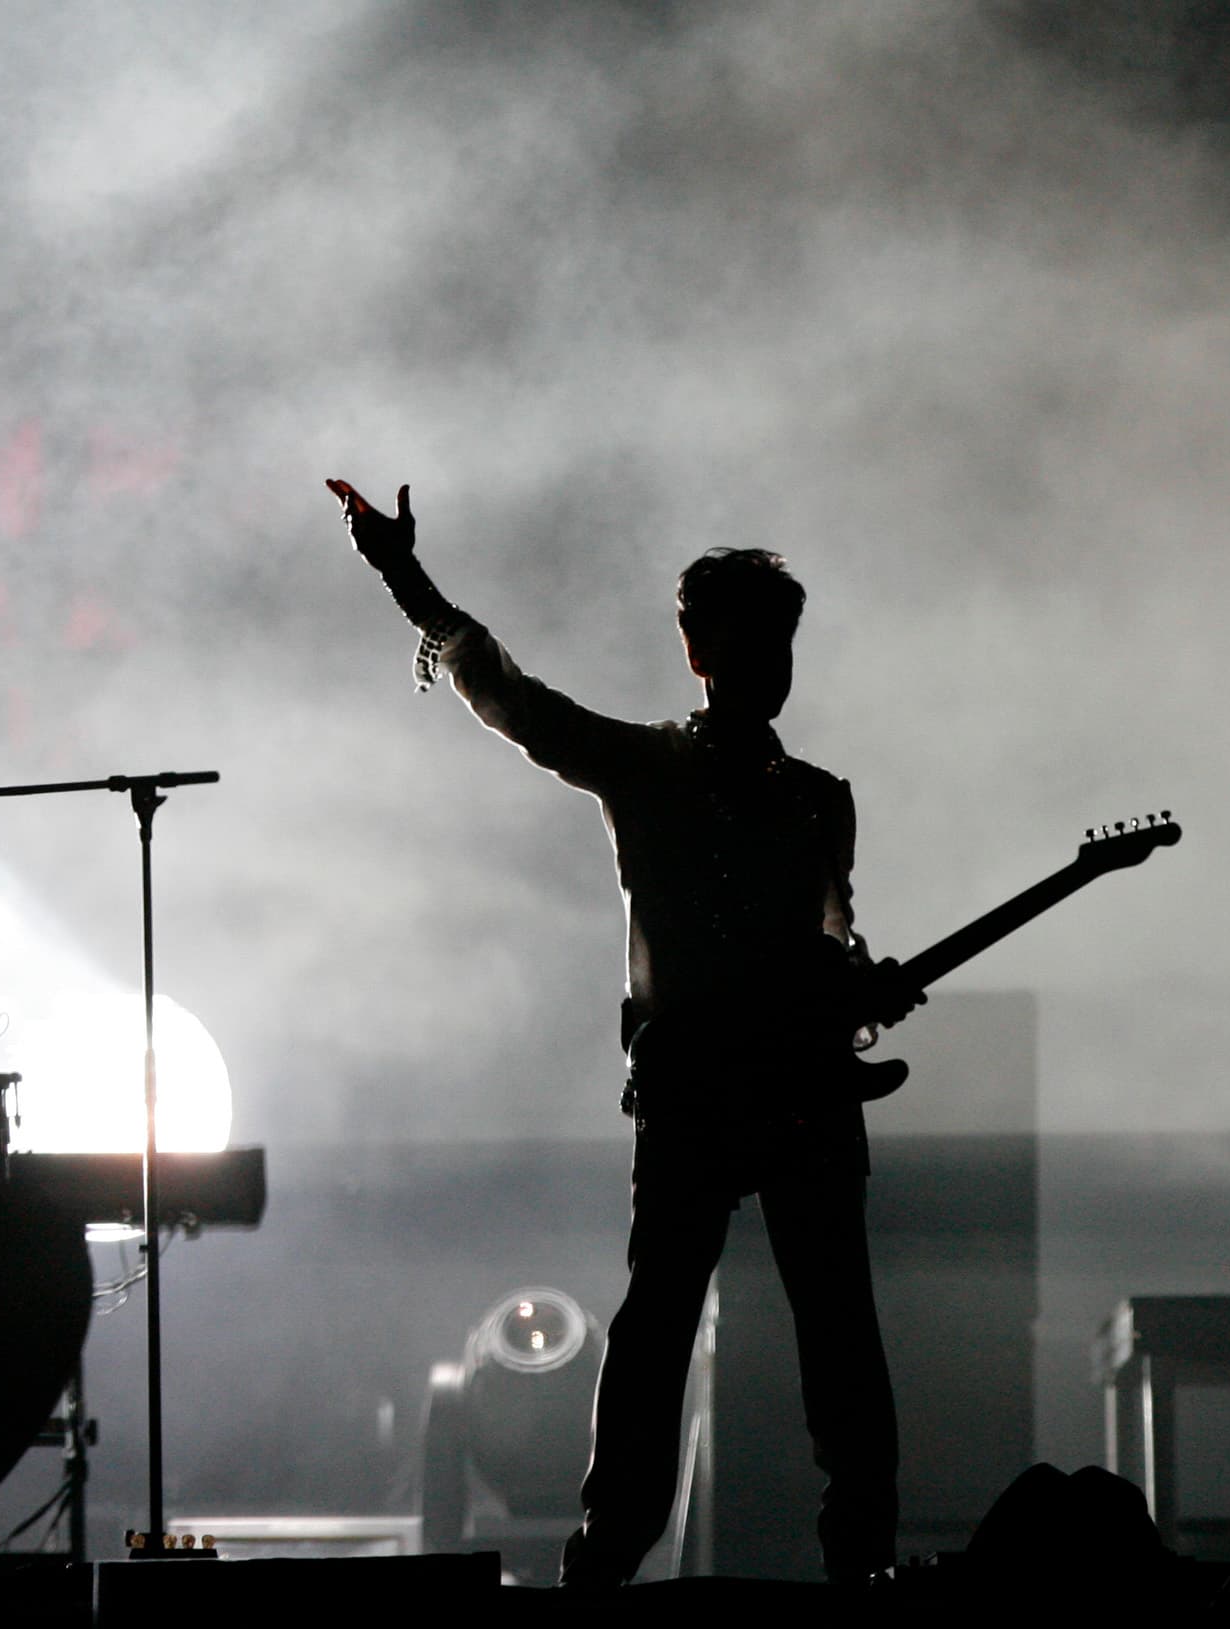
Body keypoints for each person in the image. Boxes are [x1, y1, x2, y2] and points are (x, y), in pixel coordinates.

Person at [329, 477, 918, 1586]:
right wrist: (405, 579)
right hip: (695, 1090)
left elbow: (829, 933)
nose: (766, 665)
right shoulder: (647, 768)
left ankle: (858, 1557)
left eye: (778, 643)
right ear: (698, 651)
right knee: (662, 1328)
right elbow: (506, 696)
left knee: (828, 1326)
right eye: (745, 644)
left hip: (794, 1093)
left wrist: (858, 979)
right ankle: (608, 1560)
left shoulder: (819, 799)